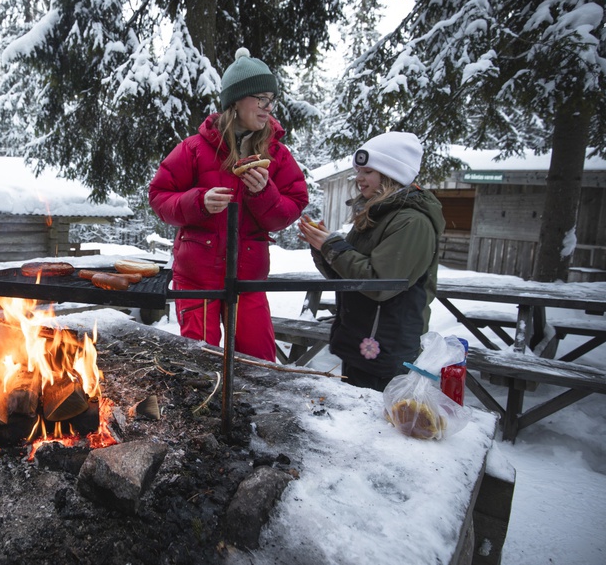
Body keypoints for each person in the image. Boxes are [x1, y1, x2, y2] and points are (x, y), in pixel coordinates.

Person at [149, 48, 309, 361]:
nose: (267, 107)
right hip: (197, 279)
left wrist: (265, 194)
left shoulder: (277, 153)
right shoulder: (194, 149)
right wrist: (198, 201)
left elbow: (291, 208)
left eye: (271, 99)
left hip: (248, 278)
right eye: (259, 98)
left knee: (257, 363)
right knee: (200, 364)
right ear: (235, 101)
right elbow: (159, 196)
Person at [298, 131, 445, 391]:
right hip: (362, 341)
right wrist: (322, 248)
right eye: (358, 171)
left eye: (367, 171)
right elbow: (348, 280)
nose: (359, 179)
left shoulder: (411, 222)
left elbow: (380, 284)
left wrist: (331, 245)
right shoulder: (375, 215)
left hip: (388, 349)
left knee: (378, 427)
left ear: (390, 175)